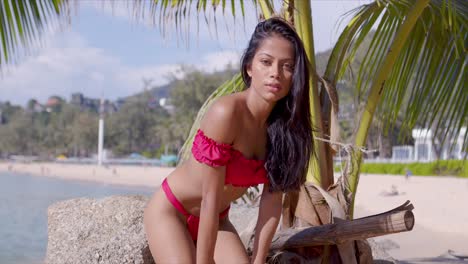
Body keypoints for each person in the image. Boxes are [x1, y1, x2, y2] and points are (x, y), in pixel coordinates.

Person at [144, 17, 313, 264]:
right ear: (249, 67)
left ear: (294, 76)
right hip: (172, 212)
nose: (275, 73)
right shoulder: (226, 113)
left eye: (287, 66)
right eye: (266, 62)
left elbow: (271, 205)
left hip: (219, 221)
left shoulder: (287, 131)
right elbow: (209, 199)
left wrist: (258, 261)